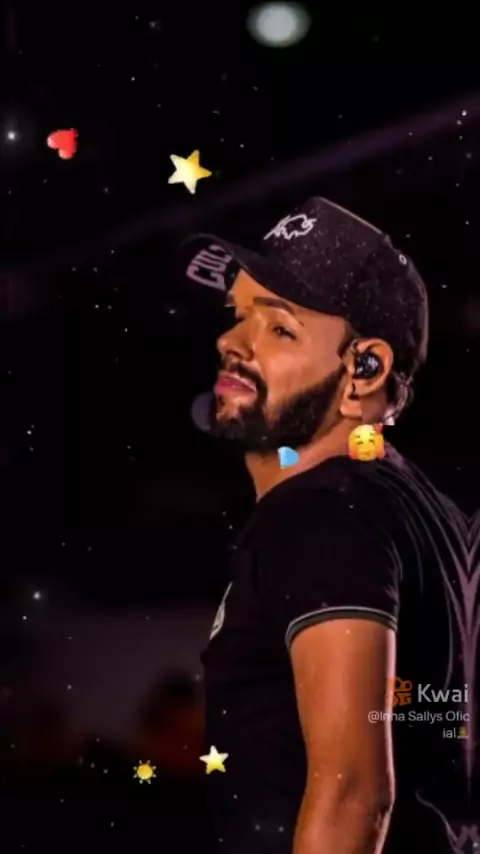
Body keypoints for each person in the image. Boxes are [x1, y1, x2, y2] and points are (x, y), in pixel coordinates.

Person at [185, 197, 468, 854]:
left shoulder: (320, 514)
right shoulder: (418, 513)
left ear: (363, 371)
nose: (231, 343)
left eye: (279, 329)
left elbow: (353, 793)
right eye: (237, 317)